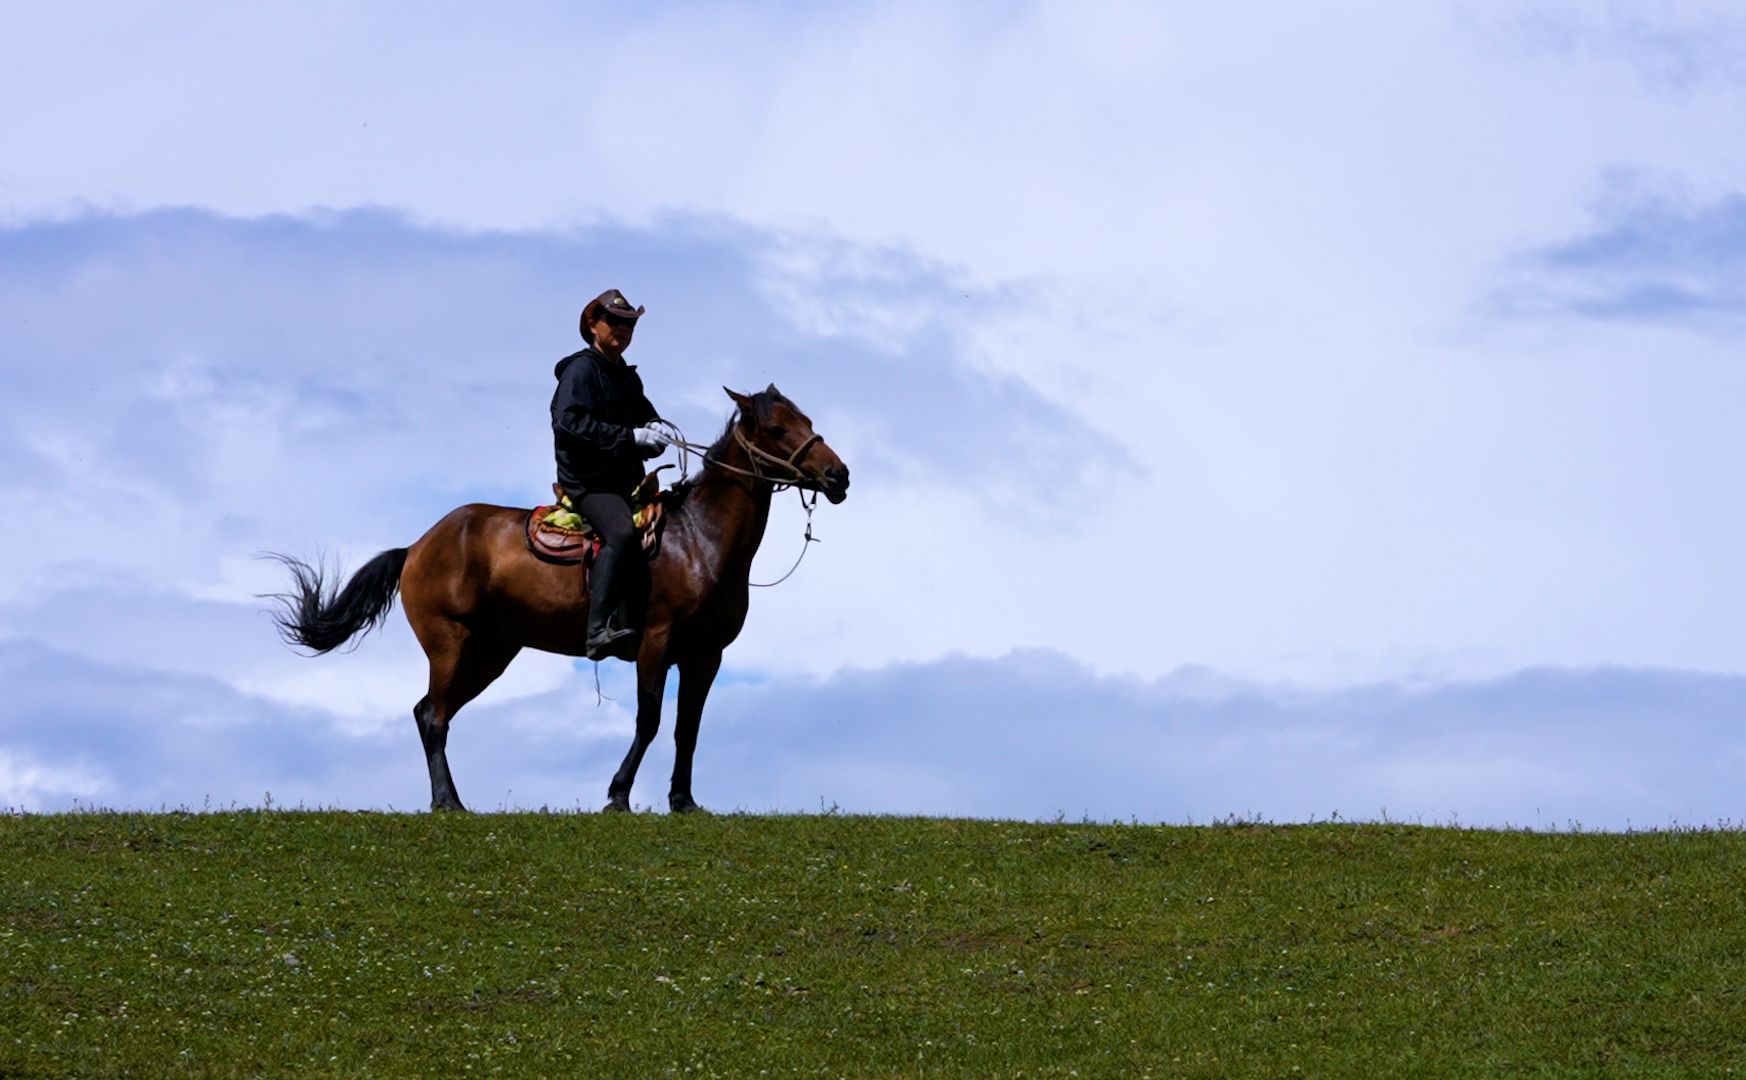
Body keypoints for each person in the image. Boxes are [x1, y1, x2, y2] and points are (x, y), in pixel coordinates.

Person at [550, 288, 669, 659]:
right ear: (593, 325)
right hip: (589, 482)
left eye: (629, 324)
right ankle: (598, 629)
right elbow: (567, 423)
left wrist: (656, 429)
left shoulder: (627, 378)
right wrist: (630, 437)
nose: (622, 329)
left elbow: (645, 414)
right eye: (614, 321)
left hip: (625, 482)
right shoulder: (580, 370)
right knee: (620, 532)